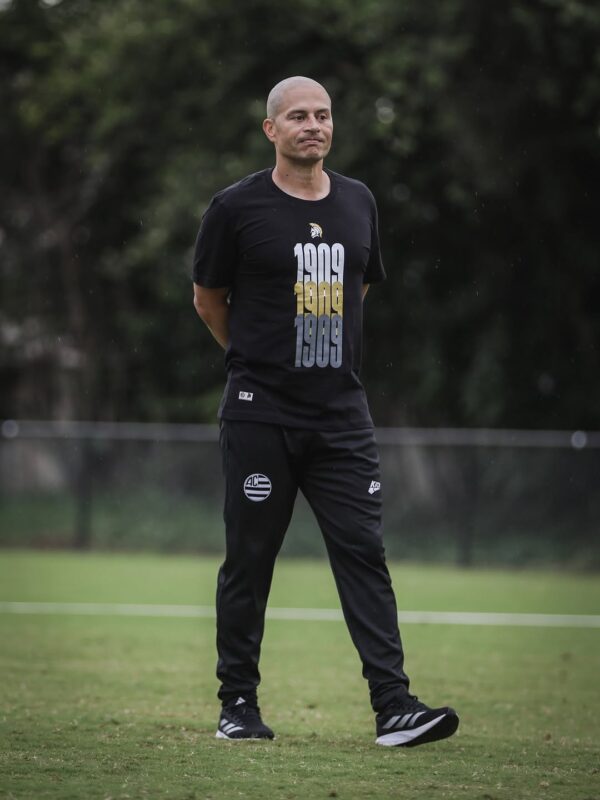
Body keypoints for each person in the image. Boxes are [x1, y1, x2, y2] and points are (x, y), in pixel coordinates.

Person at [192, 76, 459, 747]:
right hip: (259, 414)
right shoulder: (235, 207)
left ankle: (394, 707)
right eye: (299, 116)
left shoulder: (359, 201)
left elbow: (356, 288)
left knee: (365, 553)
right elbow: (208, 300)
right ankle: (238, 705)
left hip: (341, 416)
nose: (313, 125)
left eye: (323, 114)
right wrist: (256, 361)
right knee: (250, 558)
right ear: (271, 129)